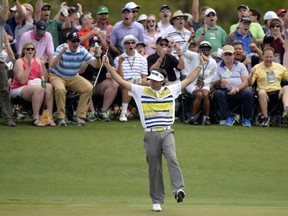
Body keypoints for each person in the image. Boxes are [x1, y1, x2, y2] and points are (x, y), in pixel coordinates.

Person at [103, 51, 208, 212]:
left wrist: (200, 65)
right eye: (151, 80)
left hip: (167, 132)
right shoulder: (140, 90)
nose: (152, 83)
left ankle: (178, 189)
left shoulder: (170, 90)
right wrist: (108, 66)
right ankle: (157, 200)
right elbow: (121, 82)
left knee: (172, 158)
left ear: (162, 82)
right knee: (154, 167)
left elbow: (189, 79)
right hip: (150, 134)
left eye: (155, 81)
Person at [49, 32, 101, 126]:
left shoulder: (82, 50)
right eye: (73, 41)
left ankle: (79, 116)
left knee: (89, 88)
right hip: (57, 75)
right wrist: (62, 52)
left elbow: (96, 65)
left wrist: (98, 57)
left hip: (73, 76)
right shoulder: (61, 48)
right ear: (68, 42)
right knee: (60, 89)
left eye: (77, 41)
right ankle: (60, 117)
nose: (76, 43)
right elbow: (52, 65)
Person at [10, 42, 55, 127]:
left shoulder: (38, 61)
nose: (30, 50)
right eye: (28, 49)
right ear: (24, 51)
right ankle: (36, 118)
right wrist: (29, 66)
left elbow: (44, 80)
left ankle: (49, 117)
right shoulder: (19, 62)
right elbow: (22, 81)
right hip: (19, 88)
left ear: (34, 51)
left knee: (49, 86)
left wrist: (43, 65)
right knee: (39, 89)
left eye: (32, 49)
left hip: (34, 85)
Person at [212, 45, 254, 127]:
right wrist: (220, 80)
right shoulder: (218, 66)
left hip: (238, 91)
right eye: (226, 54)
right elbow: (214, 84)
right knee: (218, 94)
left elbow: (246, 82)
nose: (228, 56)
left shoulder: (240, 65)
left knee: (248, 93)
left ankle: (246, 119)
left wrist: (237, 89)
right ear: (222, 56)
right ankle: (228, 117)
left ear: (234, 55)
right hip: (224, 92)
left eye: (230, 54)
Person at [249, 46, 288, 127]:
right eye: (266, 57)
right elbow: (250, 83)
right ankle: (266, 118)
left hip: (277, 93)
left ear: (273, 57)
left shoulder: (279, 67)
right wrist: (252, 74)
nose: (269, 59)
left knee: (286, 88)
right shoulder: (257, 67)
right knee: (261, 92)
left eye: (270, 57)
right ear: (262, 56)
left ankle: (286, 110)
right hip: (265, 95)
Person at [182, 39, 217, 125]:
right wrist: (189, 40)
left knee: (205, 94)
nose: (205, 51)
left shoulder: (213, 62)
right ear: (199, 50)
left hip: (204, 83)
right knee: (199, 94)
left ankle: (206, 117)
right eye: (203, 49)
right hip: (192, 82)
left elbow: (213, 75)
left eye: (207, 49)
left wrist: (204, 82)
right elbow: (183, 51)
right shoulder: (194, 56)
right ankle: (193, 117)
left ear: (210, 50)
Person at [114, 35, 148, 122]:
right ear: (124, 45)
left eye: (132, 43)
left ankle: (151, 112)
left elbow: (144, 77)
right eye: (128, 43)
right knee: (127, 85)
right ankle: (123, 113)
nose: (130, 45)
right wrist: (120, 64)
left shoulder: (142, 59)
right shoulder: (118, 58)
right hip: (124, 83)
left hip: (138, 82)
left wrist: (140, 81)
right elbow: (119, 77)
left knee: (150, 83)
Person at [0, 0, 16, 127]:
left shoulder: (1, 22)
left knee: (4, 89)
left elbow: (5, 12)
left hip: (0, 60)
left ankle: (8, 117)